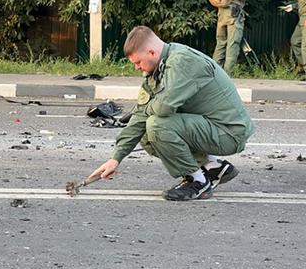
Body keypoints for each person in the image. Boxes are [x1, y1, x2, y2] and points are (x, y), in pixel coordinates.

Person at [88, 26, 254, 201]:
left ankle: (197, 181)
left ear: (151, 52)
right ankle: (212, 166)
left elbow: (162, 108)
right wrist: (116, 158)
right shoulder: (158, 68)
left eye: (138, 62)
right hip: (210, 126)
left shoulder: (182, 62)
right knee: (145, 130)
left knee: (157, 125)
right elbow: (140, 116)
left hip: (229, 132)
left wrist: (146, 109)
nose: (137, 68)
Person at [212, 0, 256, 74]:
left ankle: (215, 73)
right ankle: (227, 74)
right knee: (233, 43)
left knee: (221, 42)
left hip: (221, 11)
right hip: (234, 13)